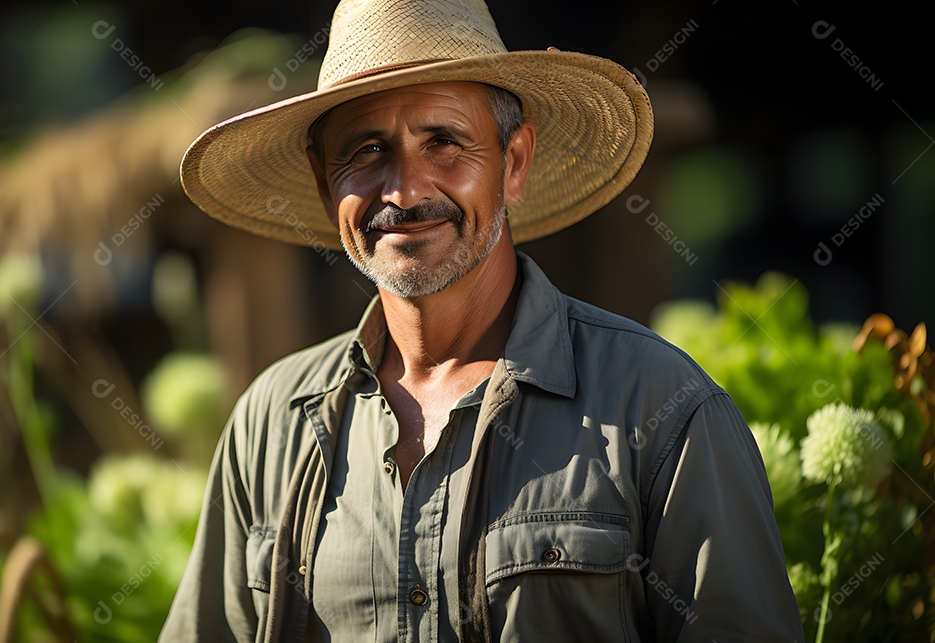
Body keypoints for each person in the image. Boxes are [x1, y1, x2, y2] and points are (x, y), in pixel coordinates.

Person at [161, 0, 805, 640]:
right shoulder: (272, 424)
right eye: (366, 149)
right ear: (325, 182)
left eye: (443, 141)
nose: (404, 192)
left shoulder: (659, 408)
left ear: (515, 163)